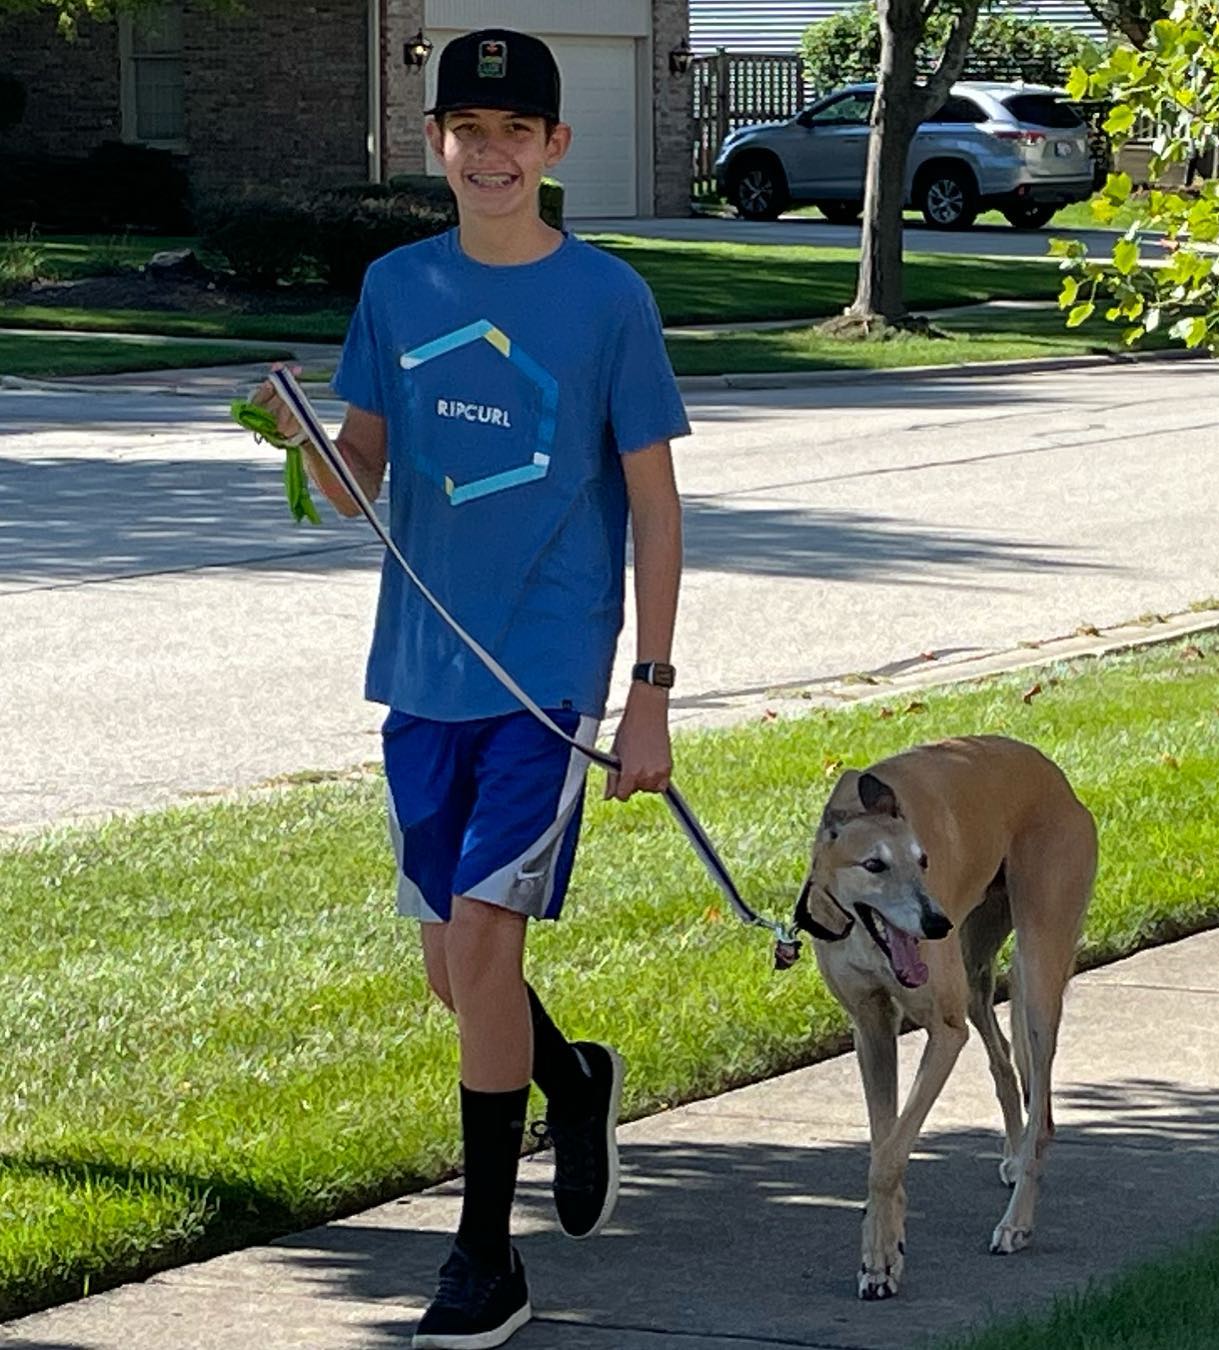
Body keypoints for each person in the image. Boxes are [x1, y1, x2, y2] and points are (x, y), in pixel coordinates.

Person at [251, 27, 687, 1349]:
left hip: (543, 673)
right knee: (452, 969)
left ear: (556, 148)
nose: (487, 152)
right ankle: (572, 1077)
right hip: (421, 669)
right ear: (431, 144)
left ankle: (482, 1257)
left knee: (487, 945)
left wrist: (650, 689)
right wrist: (307, 441)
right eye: (464, 131)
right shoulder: (395, 288)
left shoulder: (607, 299)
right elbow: (358, 479)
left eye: (514, 132)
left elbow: (658, 507)